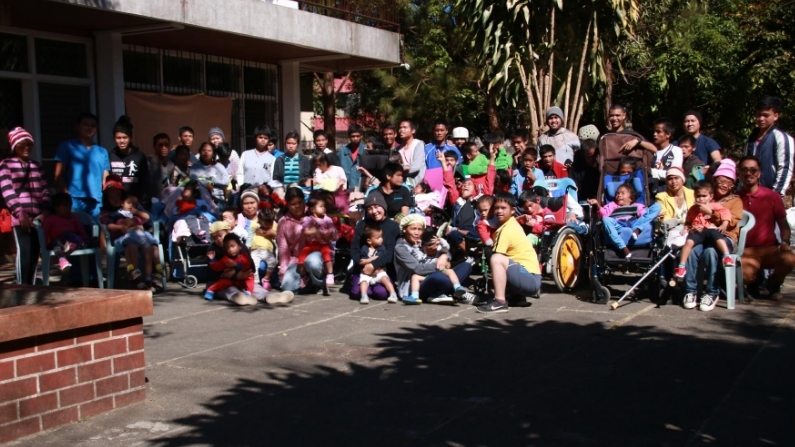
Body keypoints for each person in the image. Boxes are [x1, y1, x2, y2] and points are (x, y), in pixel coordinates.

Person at [681, 159, 743, 310]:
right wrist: (692, 227)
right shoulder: (706, 197)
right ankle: (691, 291)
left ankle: (712, 292)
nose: (723, 185)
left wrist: (712, 214)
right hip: (703, 237)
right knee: (692, 251)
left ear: (733, 185)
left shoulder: (735, 201)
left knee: (710, 252)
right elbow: (693, 219)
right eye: (720, 181)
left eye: (727, 183)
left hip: (725, 237)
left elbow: (732, 222)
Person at [737, 156, 795, 301]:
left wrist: (785, 241)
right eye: (744, 170)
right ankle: (753, 283)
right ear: (738, 173)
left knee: (789, 259)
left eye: (753, 170)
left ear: (759, 173)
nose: (748, 173)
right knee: (744, 274)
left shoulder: (772, 196)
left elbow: (783, 225)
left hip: (770, 249)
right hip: (746, 251)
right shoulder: (734, 198)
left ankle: (773, 285)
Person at [476, 193, 542, 313]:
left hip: (530, 280)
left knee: (496, 258)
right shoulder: (509, 224)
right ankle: (517, 297)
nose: (499, 211)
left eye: (503, 208)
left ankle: (500, 302)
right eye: (496, 208)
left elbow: (498, 258)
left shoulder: (507, 229)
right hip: (528, 278)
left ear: (513, 210)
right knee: (500, 259)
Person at [0, 127, 49, 284]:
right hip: (20, 219)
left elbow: (45, 190)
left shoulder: (36, 166)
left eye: (29, 144)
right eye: (22, 144)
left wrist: (44, 213)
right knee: (24, 252)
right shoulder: (6, 165)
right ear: (14, 146)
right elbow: (7, 191)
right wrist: (21, 214)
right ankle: (22, 287)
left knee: (35, 252)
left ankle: (32, 286)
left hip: (38, 219)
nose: (26, 148)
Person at [394, 214, 475, 304]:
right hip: (414, 286)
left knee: (466, 266)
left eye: (419, 229)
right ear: (404, 229)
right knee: (438, 276)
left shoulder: (422, 241)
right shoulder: (401, 247)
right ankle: (453, 292)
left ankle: (442, 293)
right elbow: (417, 269)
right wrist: (438, 263)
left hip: (434, 276)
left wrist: (444, 256)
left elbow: (444, 252)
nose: (416, 233)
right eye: (413, 229)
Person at [673, 181, 734, 299]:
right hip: (698, 234)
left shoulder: (714, 206)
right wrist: (687, 228)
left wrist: (723, 225)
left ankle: (727, 256)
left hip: (710, 231)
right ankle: (681, 267)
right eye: (698, 196)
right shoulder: (693, 209)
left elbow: (726, 214)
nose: (700, 199)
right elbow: (689, 221)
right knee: (689, 243)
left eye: (703, 196)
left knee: (716, 237)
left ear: (711, 196)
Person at [54, 113, 110, 218]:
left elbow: (105, 179)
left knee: (97, 232)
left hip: (96, 202)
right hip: (74, 201)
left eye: (93, 125)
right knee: (76, 232)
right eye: (85, 124)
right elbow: (58, 175)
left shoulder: (102, 152)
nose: (89, 128)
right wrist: (67, 197)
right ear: (77, 127)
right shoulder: (67, 146)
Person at [277, 187, 331, 293]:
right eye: (293, 204)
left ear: (304, 201)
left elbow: (330, 231)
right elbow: (284, 251)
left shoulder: (314, 212)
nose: (297, 206)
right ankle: (310, 283)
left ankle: (320, 283)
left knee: (312, 262)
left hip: (319, 254)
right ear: (287, 205)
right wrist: (283, 274)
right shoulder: (283, 222)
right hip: (298, 260)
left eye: (300, 202)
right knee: (287, 288)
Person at [349, 193, 401, 302]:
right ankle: (362, 285)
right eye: (370, 208)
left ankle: (374, 287)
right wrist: (362, 263)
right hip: (363, 269)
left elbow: (390, 252)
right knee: (358, 292)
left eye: (377, 207)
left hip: (382, 269)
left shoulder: (393, 226)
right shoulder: (362, 225)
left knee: (381, 293)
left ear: (384, 207)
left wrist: (373, 265)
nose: (374, 211)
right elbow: (354, 249)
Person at [588, 182, 660, 260]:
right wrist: (597, 205)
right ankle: (623, 248)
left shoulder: (637, 206)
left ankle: (638, 229)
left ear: (631, 198)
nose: (619, 195)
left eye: (623, 193)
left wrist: (654, 215)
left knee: (657, 206)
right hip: (618, 226)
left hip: (634, 224)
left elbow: (644, 216)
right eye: (617, 193)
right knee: (606, 220)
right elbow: (604, 214)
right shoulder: (612, 205)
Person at [743, 96, 794, 201]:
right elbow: (744, 166)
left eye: (766, 115)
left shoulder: (782, 138)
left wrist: (777, 195)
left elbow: (784, 168)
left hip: (770, 194)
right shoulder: (751, 139)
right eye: (758, 115)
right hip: (749, 195)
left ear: (776, 116)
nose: (761, 119)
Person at [108, 115, 151, 208]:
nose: (122, 141)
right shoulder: (110, 156)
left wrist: (144, 206)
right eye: (118, 138)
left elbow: (145, 184)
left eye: (125, 137)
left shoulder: (139, 156)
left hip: (136, 206)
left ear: (130, 138)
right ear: (113, 138)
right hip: (115, 206)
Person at [43, 193, 89, 273]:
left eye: (69, 206)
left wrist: (84, 238)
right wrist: (46, 245)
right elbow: (45, 233)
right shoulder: (50, 219)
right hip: (59, 241)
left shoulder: (73, 218)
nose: (68, 208)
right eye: (65, 206)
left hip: (72, 239)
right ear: (56, 207)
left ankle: (71, 246)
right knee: (57, 244)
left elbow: (80, 230)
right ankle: (62, 260)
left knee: (85, 242)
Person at [206, 233, 257, 304]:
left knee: (250, 277)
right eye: (227, 248)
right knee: (224, 283)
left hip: (242, 278)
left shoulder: (243, 255)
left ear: (239, 246)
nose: (230, 249)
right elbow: (217, 267)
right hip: (230, 280)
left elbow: (249, 266)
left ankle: (249, 292)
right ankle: (211, 290)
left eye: (232, 246)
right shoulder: (224, 258)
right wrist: (212, 260)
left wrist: (236, 265)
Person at [298, 195, 337, 286]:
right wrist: (313, 232)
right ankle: (304, 276)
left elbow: (333, 228)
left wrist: (330, 232)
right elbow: (304, 231)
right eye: (321, 206)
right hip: (311, 244)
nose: (324, 208)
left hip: (323, 243)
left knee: (327, 255)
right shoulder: (308, 219)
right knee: (301, 259)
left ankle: (330, 274)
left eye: (324, 206)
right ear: (312, 209)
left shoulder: (327, 219)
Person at [357, 223, 399, 304]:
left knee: (385, 279)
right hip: (367, 274)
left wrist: (368, 261)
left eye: (381, 237)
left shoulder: (381, 248)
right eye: (378, 238)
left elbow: (379, 257)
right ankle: (364, 295)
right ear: (369, 240)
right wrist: (366, 262)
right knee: (363, 281)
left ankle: (393, 294)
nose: (381, 239)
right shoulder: (364, 249)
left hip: (379, 271)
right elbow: (362, 261)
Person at [570, 126, 601, 200]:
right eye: (589, 157)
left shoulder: (602, 165)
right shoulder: (577, 166)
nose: (593, 159)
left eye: (595, 155)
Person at [396, 119, 426, 185]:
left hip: (416, 182)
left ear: (413, 130)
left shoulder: (418, 144)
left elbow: (416, 167)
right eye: (400, 128)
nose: (401, 130)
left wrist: (398, 171)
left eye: (405, 127)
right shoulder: (398, 149)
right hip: (401, 181)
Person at [148, 133, 174, 201]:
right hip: (149, 199)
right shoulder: (148, 161)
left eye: (166, 145)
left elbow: (171, 185)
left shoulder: (171, 165)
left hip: (164, 200)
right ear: (154, 146)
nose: (164, 148)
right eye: (160, 145)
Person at [339, 124, 365, 192]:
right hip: (345, 190)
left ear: (361, 136)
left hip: (362, 190)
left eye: (357, 136)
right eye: (353, 136)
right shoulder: (342, 152)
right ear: (349, 137)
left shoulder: (366, 151)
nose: (355, 138)